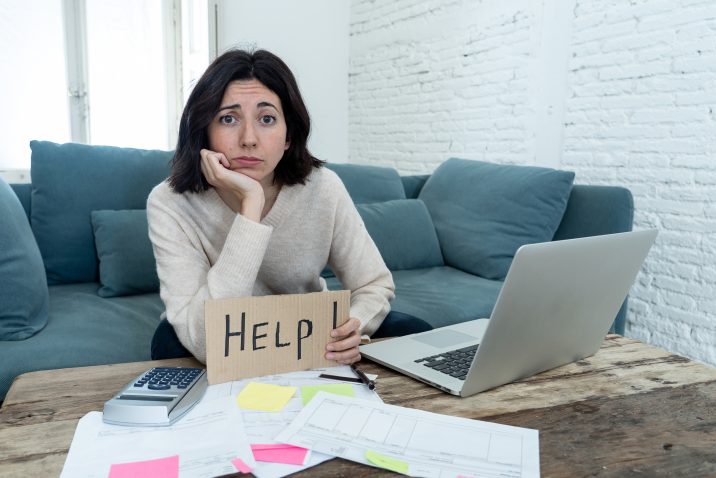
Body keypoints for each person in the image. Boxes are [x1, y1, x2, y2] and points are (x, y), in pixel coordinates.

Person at [147, 49, 395, 365]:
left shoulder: (323, 187)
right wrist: (251, 205)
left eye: (267, 119)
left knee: (411, 329)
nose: (249, 139)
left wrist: (354, 326)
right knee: (167, 342)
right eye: (228, 118)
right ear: (204, 131)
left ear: (288, 135)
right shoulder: (169, 203)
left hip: (308, 335)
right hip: (225, 337)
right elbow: (208, 340)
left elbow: (373, 284)